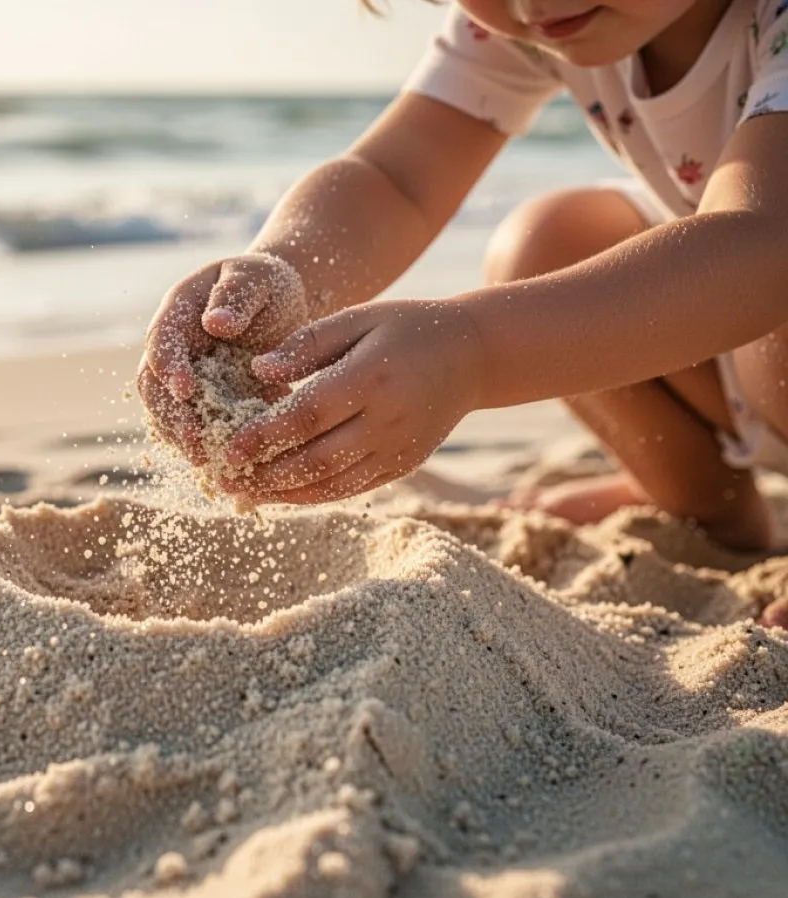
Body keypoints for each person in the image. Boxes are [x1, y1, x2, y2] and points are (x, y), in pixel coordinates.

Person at [139, 0, 788, 569]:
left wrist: (471, 353)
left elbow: (765, 240)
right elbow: (395, 178)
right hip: (739, 334)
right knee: (544, 244)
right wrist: (284, 270)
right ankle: (715, 519)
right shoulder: (539, 19)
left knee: (775, 353)